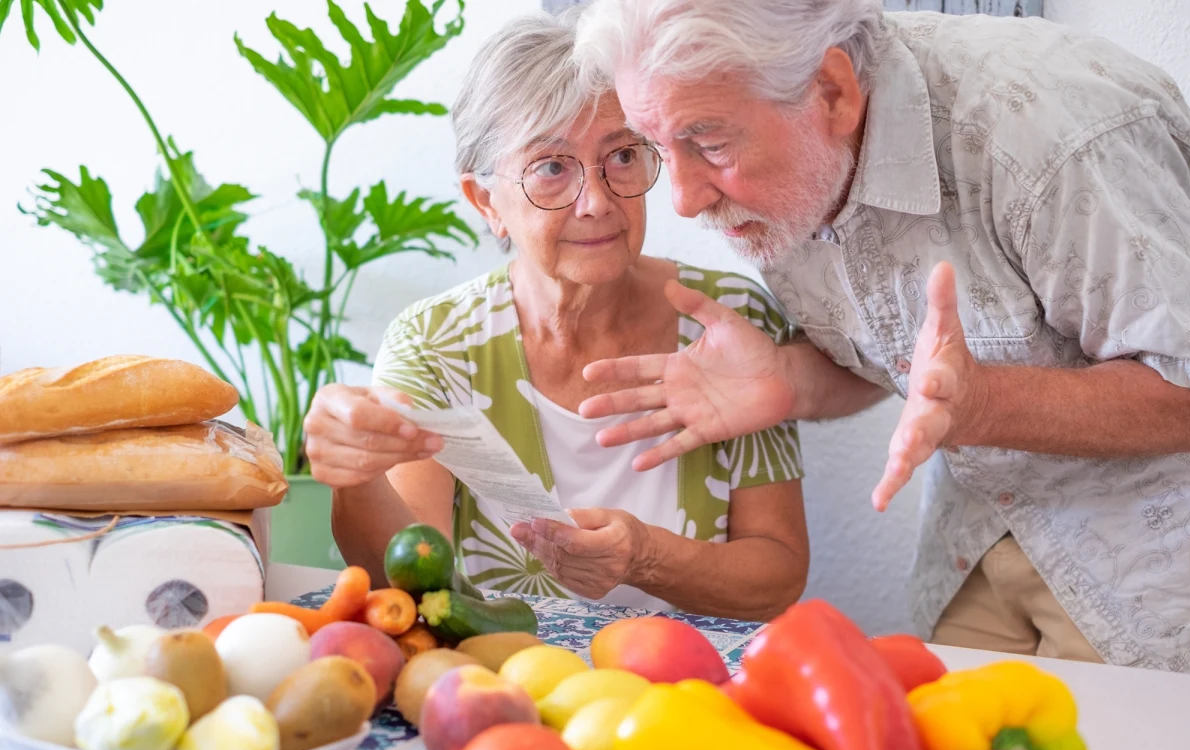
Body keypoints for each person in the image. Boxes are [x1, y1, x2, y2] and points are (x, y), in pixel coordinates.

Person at [573, 0, 1190, 671]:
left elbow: (1189, 382)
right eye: (657, 146)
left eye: (711, 144)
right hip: (979, 538)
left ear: (833, 91)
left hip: (1152, 576)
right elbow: (909, 369)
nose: (685, 200)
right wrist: (790, 381)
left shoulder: (1051, 138)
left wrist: (985, 404)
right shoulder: (769, 155)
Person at [301, 12, 809, 620]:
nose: (596, 202)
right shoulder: (434, 345)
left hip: (692, 689)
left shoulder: (728, 319)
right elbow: (403, 580)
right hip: (506, 678)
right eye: (551, 167)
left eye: (622, 155)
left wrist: (645, 556)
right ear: (486, 200)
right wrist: (352, 475)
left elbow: (777, 575)